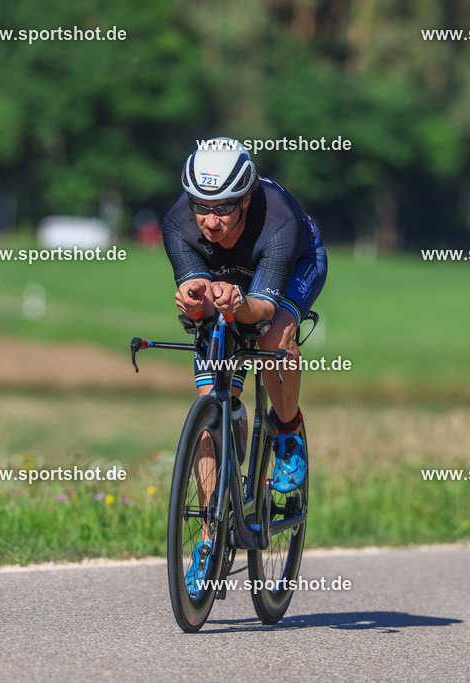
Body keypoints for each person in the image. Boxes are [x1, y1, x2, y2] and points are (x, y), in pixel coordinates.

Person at [162, 137, 328, 595]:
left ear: (247, 197)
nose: (210, 221)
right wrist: (194, 302)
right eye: (201, 207)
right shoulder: (178, 223)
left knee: (274, 339)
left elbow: (261, 312)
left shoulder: (277, 217)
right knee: (209, 396)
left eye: (224, 209)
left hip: (292, 265)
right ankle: (211, 537)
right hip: (228, 274)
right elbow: (198, 297)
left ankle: (289, 430)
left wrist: (237, 305)